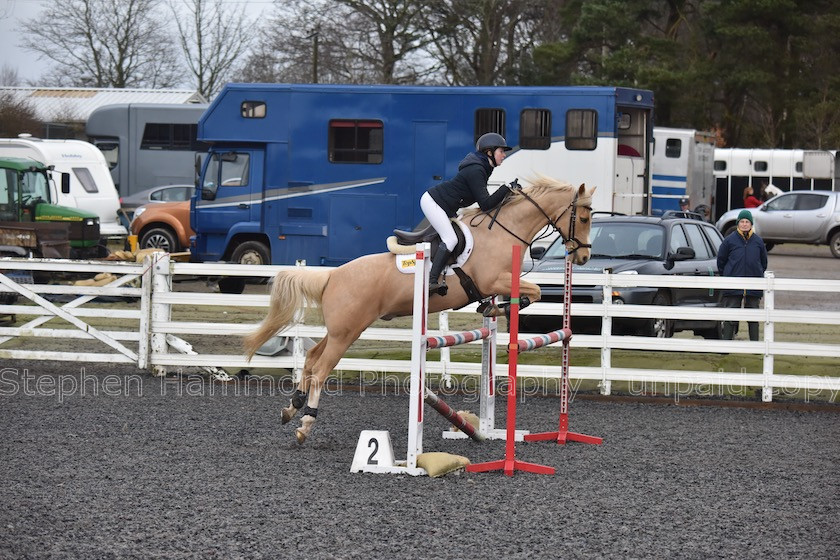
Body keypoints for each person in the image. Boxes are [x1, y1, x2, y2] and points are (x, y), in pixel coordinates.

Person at [420, 132, 516, 293]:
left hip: (445, 206)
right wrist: (505, 189)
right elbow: (485, 204)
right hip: (433, 202)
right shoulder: (476, 170)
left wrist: (508, 193)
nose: (504, 155)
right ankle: (431, 281)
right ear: (489, 152)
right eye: (501, 151)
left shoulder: (484, 167)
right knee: (450, 239)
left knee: (460, 237)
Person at [716, 209, 768, 341]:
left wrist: (757, 275)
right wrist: (728, 276)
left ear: (751, 224)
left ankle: (755, 345)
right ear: (738, 223)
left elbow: (763, 262)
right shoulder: (729, 241)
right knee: (731, 315)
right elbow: (721, 261)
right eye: (742, 222)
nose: (744, 224)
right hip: (733, 286)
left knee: (753, 316)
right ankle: (727, 344)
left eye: (747, 222)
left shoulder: (758, 242)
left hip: (753, 285)